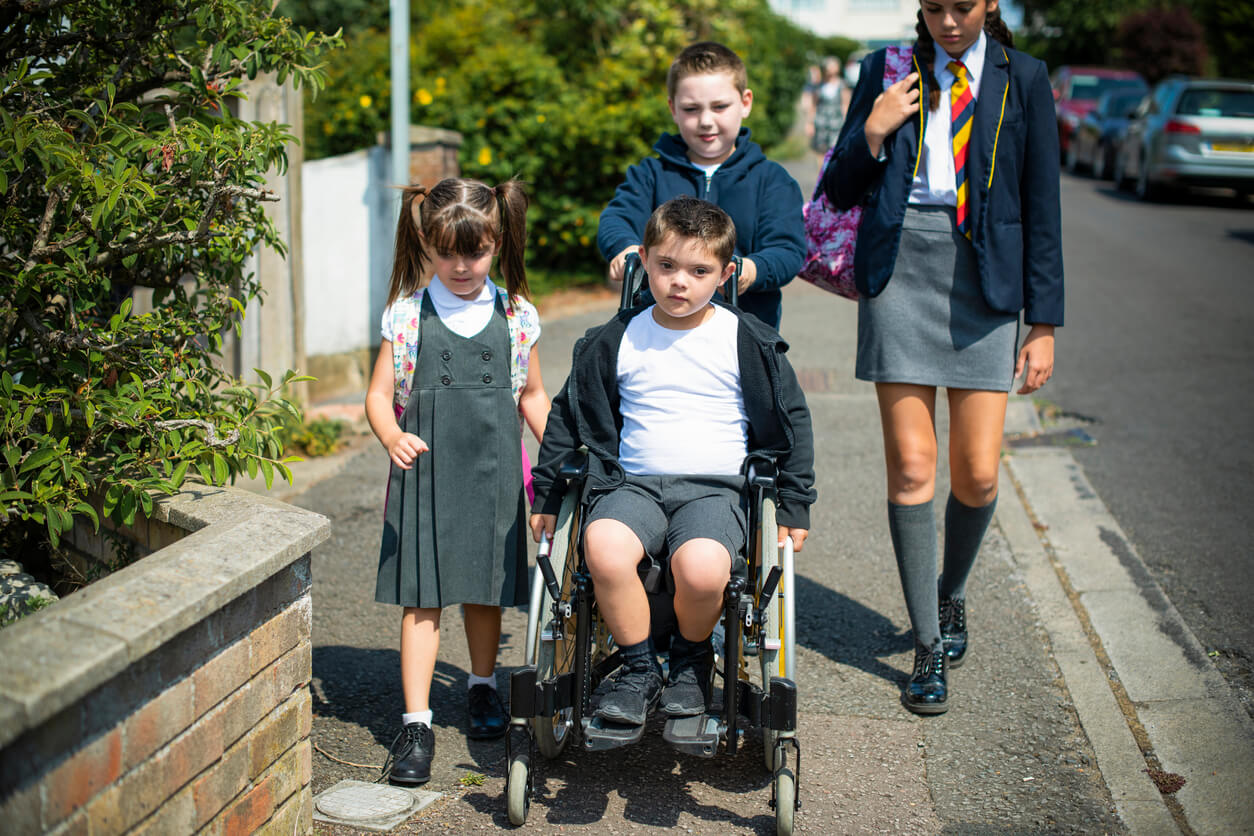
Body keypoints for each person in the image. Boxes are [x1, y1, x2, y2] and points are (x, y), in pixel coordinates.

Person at [821, 0, 1062, 715]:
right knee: (914, 465)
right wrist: (873, 128)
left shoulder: (1026, 76)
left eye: (962, 7)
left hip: (985, 283)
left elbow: (1042, 203)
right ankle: (927, 645)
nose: (947, 22)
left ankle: (951, 593)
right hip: (899, 273)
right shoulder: (885, 70)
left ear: (989, 3)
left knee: (979, 472)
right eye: (933, 8)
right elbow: (837, 189)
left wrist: (1043, 322)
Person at [531, 197, 816, 728]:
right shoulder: (615, 339)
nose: (678, 282)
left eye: (698, 270)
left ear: (726, 274)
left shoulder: (746, 340)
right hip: (632, 485)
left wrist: (794, 504)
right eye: (666, 266)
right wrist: (548, 494)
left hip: (715, 490)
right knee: (604, 549)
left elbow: (792, 421)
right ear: (643, 261)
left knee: (703, 569)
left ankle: (689, 661)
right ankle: (640, 669)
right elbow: (567, 417)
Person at [365, 177, 551, 783]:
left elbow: (533, 395)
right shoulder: (406, 314)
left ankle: (480, 687)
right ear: (425, 239)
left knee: (485, 587)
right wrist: (391, 436)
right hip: (425, 473)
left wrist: (560, 456)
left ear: (497, 241)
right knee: (422, 597)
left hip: (496, 472)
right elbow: (376, 396)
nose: (461, 266)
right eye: (448, 253)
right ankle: (415, 723)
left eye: (475, 253)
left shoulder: (518, 314)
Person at [596, 41, 806, 330]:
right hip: (657, 332)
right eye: (692, 109)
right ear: (673, 108)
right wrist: (625, 248)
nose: (706, 121)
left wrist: (752, 269)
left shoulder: (772, 180)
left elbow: (787, 249)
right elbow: (617, 217)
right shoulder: (651, 173)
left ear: (745, 103)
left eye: (719, 107)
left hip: (742, 334)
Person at [810, 56, 850, 155]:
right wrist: (810, 123)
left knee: (834, 150)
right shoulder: (819, 85)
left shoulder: (842, 84)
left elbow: (845, 104)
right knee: (820, 150)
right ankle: (821, 170)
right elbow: (814, 105)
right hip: (821, 121)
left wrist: (847, 122)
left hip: (836, 122)